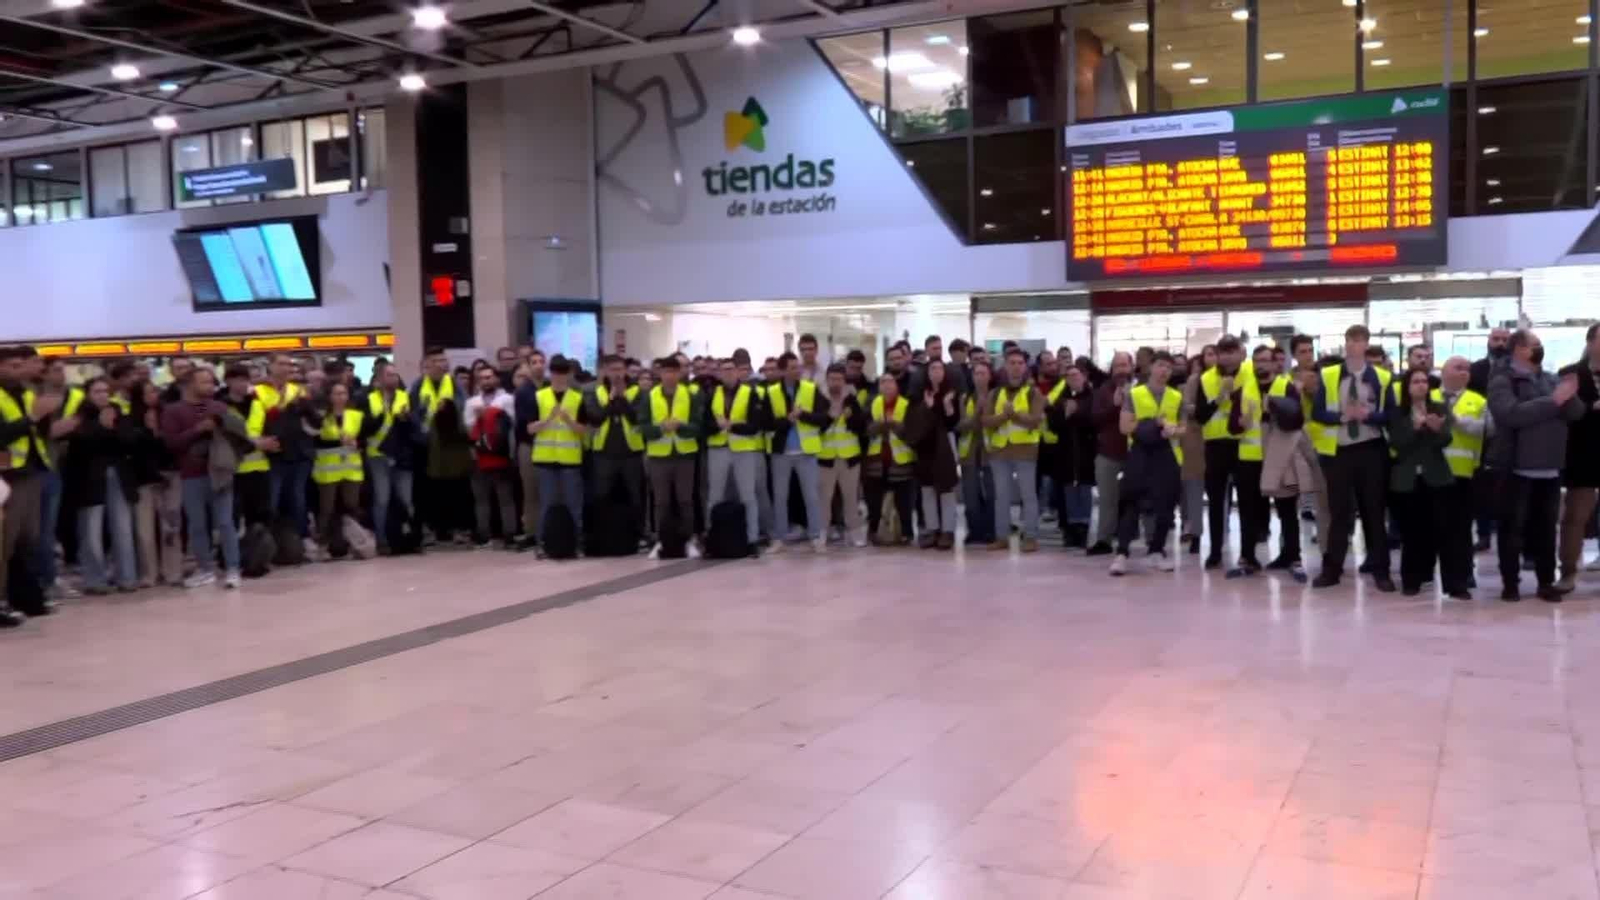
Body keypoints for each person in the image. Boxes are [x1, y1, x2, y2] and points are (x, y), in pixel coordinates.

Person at [1487, 329, 1584, 601]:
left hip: (1550, 466)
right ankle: (1510, 583)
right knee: (1512, 529)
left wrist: (1570, 394)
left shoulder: (1550, 378)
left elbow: (1575, 413)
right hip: (1516, 466)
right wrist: (1553, 401)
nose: (1540, 349)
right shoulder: (1502, 380)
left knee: (1545, 528)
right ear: (1518, 348)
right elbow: (1511, 414)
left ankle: (1545, 582)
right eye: (1535, 345)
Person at [1310, 325, 1396, 592]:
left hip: (1371, 449)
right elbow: (1317, 412)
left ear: (1367, 344)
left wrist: (1368, 416)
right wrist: (1343, 417)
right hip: (1339, 451)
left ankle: (1381, 570)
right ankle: (1332, 569)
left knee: (1373, 510)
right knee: (1339, 512)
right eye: (1351, 340)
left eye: (1360, 340)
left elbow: (1391, 414)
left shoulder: (1382, 377)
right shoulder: (1328, 374)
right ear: (1345, 343)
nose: (1355, 345)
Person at [0, 346, 67, 625]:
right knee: (5, 543)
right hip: (8, 476)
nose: (20, 371)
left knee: (29, 541)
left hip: (33, 471)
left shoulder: (27, 394)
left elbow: (40, 432)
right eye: (13, 366)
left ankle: (26, 597)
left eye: (20, 366)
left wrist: (46, 414)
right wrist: (31, 418)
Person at [161, 367, 241, 589]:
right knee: (197, 524)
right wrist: (198, 429)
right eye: (204, 382)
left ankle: (233, 569)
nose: (210, 386)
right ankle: (205, 569)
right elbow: (171, 443)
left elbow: (236, 437)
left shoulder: (220, 407)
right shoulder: (173, 411)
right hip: (191, 475)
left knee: (225, 522)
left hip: (220, 471)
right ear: (189, 385)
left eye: (211, 382)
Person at [1112, 352, 1183, 575]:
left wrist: (1173, 429)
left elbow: (1184, 427)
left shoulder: (1176, 396)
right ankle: (1122, 553)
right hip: (1140, 454)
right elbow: (1124, 427)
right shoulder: (1135, 394)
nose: (1165, 371)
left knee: (1165, 508)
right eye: (1161, 366)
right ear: (1151, 367)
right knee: (1132, 504)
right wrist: (1153, 424)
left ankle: (1156, 550)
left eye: (1169, 368)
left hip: (1166, 455)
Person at [65, 377, 137, 594]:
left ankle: (127, 577)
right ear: (88, 394)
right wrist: (102, 428)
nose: (103, 395)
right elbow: (80, 446)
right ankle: (95, 579)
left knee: (123, 528)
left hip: (118, 475)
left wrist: (111, 428)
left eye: (106, 391)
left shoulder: (117, 414)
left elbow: (129, 441)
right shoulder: (80, 417)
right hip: (89, 479)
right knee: (91, 531)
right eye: (97, 391)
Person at [1388, 367, 1456, 597]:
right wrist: (1415, 429)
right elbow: (1398, 443)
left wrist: (1436, 431)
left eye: (1424, 381)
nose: (1421, 385)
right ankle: (1411, 580)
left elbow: (1446, 438)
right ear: (1407, 386)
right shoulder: (1398, 413)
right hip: (1407, 479)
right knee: (1411, 532)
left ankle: (1440, 578)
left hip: (1436, 476)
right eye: (1415, 381)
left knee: (1439, 529)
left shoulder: (1438, 408)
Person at [1226, 344, 1290, 577]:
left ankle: (1291, 555)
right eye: (1257, 360)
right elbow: (1231, 427)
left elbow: (1297, 419)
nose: (1261, 364)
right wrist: (1239, 424)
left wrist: (1272, 414)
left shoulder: (1286, 386)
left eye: (1265, 360)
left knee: (1286, 508)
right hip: (1249, 459)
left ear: (1275, 363)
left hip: (1279, 457)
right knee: (1247, 510)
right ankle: (1247, 556)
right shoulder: (1242, 390)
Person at [765, 352, 830, 552]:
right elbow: (766, 423)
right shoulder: (772, 392)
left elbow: (824, 418)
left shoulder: (811, 389)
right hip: (781, 452)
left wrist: (803, 415)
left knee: (811, 496)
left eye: (798, 367)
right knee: (780, 496)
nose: (797, 371)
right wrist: (788, 420)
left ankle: (816, 536)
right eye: (793, 368)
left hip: (806, 451)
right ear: (783, 370)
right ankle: (779, 538)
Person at [638, 357, 701, 557]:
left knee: (685, 500)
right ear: (660, 374)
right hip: (659, 456)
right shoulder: (650, 396)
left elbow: (698, 426)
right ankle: (660, 540)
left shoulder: (691, 395)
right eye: (666, 372)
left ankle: (689, 540)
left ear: (680, 373)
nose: (670, 376)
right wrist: (660, 429)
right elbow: (643, 427)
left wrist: (681, 427)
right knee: (661, 502)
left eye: (674, 372)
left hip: (684, 455)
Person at [703, 357, 766, 554]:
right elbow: (705, 424)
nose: (728, 373)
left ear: (739, 372)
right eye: (724, 370)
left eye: (731, 369)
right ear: (719, 374)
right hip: (718, 449)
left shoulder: (750, 393)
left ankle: (752, 539)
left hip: (743, 450)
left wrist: (733, 426)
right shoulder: (713, 393)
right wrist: (717, 426)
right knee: (715, 496)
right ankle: (711, 539)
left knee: (748, 496)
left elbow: (755, 425)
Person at [1195, 336, 1247, 570]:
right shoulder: (1206, 379)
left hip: (1244, 443)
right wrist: (1220, 397)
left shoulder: (1250, 373)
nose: (1226, 356)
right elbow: (1200, 415)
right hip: (1215, 445)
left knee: (1247, 501)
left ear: (1240, 352)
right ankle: (1215, 551)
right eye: (1222, 352)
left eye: (1231, 351)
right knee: (1216, 501)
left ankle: (1248, 553)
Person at [1437, 356, 1487, 599]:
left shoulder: (1478, 400)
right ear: (1444, 371)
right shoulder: (1429, 397)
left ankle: (1461, 579)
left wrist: (1457, 421)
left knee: (1460, 530)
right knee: (1430, 528)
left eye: (1467, 369)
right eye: (1458, 368)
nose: (1464, 373)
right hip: (1430, 473)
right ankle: (1421, 576)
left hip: (1463, 473)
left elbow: (1486, 429)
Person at [985, 347, 1044, 553]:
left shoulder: (1034, 393)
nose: (1016, 367)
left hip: (1026, 451)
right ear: (1005, 366)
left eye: (1020, 363)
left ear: (1025, 367)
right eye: (1012, 363)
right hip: (999, 451)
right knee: (1001, 496)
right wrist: (1004, 416)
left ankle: (1031, 537)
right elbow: (986, 420)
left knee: (1028, 495)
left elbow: (1036, 420)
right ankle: (1001, 537)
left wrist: (1014, 416)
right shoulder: (994, 394)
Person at [527, 356, 589, 550]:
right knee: (547, 503)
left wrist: (569, 420)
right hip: (546, 459)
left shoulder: (577, 398)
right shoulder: (540, 396)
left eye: (563, 373)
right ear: (551, 373)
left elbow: (583, 430)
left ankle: (575, 542)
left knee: (573, 504)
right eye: (556, 373)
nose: (560, 377)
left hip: (570, 460)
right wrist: (548, 420)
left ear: (569, 374)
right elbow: (529, 428)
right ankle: (545, 543)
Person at [1557, 324, 1600, 593]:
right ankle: (1568, 573)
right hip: (1582, 454)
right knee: (1575, 517)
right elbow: (1563, 411)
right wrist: (1591, 408)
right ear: (1591, 342)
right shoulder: (1570, 374)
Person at [588, 354, 647, 537]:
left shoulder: (638, 392)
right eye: (613, 370)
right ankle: (603, 535)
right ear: (605, 371)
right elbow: (596, 418)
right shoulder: (596, 393)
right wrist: (612, 399)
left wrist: (623, 399)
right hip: (604, 453)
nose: (617, 374)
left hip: (631, 453)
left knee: (635, 496)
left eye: (620, 369)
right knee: (602, 495)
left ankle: (637, 534)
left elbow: (637, 418)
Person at [310, 381, 368, 560]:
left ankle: (353, 542)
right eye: (336, 393)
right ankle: (322, 545)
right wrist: (338, 442)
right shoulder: (321, 417)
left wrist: (357, 443)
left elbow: (364, 439)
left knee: (351, 505)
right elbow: (316, 441)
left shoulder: (356, 415)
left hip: (351, 469)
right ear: (329, 396)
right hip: (328, 470)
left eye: (343, 393)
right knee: (326, 509)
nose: (340, 397)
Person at [257, 353, 312, 536]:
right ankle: (270, 541)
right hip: (273, 454)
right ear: (270, 366)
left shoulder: (299, 391)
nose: (286, 368)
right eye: (281, 364)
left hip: (298, 453)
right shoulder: (258, 391)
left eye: (289, 364)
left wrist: (305, 407)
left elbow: (311, 421)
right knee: (272, 500)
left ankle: (300, 539)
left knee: (299, 500)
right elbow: (257, 423)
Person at [464, 366, 519, 549]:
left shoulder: (507, 399)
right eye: (483, 378)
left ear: (496, 379)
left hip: (501, 456)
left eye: (489, 377)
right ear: (479, 382)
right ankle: (484, 535)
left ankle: (509, 535)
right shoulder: (472, 402)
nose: (486, 381)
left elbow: (513, 422)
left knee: (505, 498)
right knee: (481, 499)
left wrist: (489, 414)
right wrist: (480, 416)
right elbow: (467, 426)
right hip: (479, 457)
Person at [908, 358, 959, 550]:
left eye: (940, 368)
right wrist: (927, 407)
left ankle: (948, 530)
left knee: (946, 488)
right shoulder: (920, 394)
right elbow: (915, 420)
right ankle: (932, 529)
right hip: (925, 445)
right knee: (927, 488)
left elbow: (953, 422)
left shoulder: (951, 392)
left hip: (945, 443)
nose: (936, 372)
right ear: (927, 373)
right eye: (932, 368)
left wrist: (947, 405)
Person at [1045, 363, 1097, 549]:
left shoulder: (1092, 398)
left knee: (1084, 491)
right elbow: (1052, 424)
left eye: (1077, 375)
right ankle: (1070, 530)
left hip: (1086, 453)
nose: (1073, 379)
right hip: (1065, 454)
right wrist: (1065, 415)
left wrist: (1077, 414)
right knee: (1067, 493)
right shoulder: (1060, 399)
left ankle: (1083, 529)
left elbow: (1095, 421)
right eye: (1070, 376)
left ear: (1084, 377)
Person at [125, 380, 170, 588]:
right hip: (143, 480)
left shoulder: (165, 415)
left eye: (155, 390)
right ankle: (148, 572)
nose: (154, 394)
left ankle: (169, 569)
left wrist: (158, 433)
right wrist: (150, 433)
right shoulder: (132, 421)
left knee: (168, 527)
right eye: (149, 391)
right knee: (145, 530)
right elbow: (134, 451)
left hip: (167, 477)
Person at [816, 363, 867, 548]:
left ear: (844, 381)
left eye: (839, 379)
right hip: (826, 458)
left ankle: (855, 533)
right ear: (827, 380)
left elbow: (861, 426)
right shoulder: (819, 400)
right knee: (824, 498)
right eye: (832, 379)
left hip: (849, 457)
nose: (835, 383)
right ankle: (821, 532)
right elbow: (815, 427)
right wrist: (830, 416)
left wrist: (850, 417)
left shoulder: (852, 399)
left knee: (851, 497)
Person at [366, 364, 416, 552]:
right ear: (379, 379)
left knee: (407, 499)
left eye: (395, 375)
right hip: (377, 455)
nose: (393, 378)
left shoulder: (405, 397)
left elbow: (412, 427)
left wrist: (407, 419)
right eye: (389, 375)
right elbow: (364, 427)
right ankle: (382, 540)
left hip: (402, 456)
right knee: (382, 499)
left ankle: (409, 538)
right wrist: (382, 414)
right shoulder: (369, 399)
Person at [1088, 351, 1133, 555]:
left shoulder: (1142, 389)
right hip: (1107, 452)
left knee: (1139, 499)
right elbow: (1094, 420)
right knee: (1107, 500)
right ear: (1111, 369)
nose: (1121, 370)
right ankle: (1104, 540)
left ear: (1131, 367)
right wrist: (1114, 407)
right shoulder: (1102, 391)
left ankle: (1144, 540)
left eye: (1125, 365)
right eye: (1117, 366)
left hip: (1136, 452)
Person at [863, 372, 916, 546]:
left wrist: (893, 424)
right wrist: (880, 424)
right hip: (876, 459)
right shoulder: (873, 403)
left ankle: (905, 533)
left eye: (890, 382)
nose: (886, 385)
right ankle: (874, 531)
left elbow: (910, 432)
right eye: (883, 382)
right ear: (879, 387)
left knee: (904, 501)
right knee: (874, 500)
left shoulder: (906, 404)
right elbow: (867, 429)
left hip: (900, 459)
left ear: (896, 386)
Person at [221, 365, 275, 528]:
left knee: (261, 515)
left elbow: (269, 427)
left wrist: (271, 442)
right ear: (228, 381)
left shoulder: (257, 404)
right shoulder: (220, 406)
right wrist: (254, 443)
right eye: (239, 380)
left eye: (246, 380)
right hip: (234, 469)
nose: (244, 384)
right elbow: (224, 436)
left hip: (260, 467)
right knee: (234, 515)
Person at [957, 359, 996, 546]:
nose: (979, 377)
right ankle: (974, 531)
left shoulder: (997, 397)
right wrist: (976, 415)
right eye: (976, 374)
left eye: (983, 373)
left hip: (991, 452)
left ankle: (991, 531)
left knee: (992, 494)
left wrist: (985, 415)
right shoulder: (964, 399)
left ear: (989, 376)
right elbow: (960, 425)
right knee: (970, 495)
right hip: (969, 453)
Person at [1177, 352, 1210, 555]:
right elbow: (1188, 407)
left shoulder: (1226, 380)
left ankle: (1217, 533)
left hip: (1219, 440)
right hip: (1195, 438)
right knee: (1194, 490)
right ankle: (1195, 533)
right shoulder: (1193, 381)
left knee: (1218, 492)